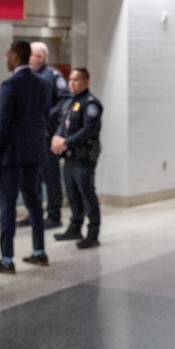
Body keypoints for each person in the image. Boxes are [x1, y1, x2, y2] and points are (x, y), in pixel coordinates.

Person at [0, 40, 53, 273]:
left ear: (16, 56)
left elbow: (1, 124)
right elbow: (44, 116)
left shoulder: (10, 85)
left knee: (8, 205)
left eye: (8, 54)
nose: (6, 58)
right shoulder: (42, 84)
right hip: (35, 152)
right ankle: (39, 251)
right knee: (33, 202)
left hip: (11, 156)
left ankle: (6, 258)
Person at [52, 68, 103, 249]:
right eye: (70, 79)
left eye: (76, 80)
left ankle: (93, 232)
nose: (72, 83)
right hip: (70, 157)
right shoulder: (68, 103)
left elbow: (87, 130)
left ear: (86, 81)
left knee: (86, 193)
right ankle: (75, 227)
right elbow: (62, 125)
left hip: (84, 157)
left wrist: (66, 141)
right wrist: (57, 138)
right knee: (72, 194)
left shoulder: (91, 104)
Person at [23, 40, 72, 229]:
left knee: (50, 176)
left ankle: (54, 215)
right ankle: (33, 212)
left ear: (40, 57)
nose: (27, 60)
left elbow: (65, 100)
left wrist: (47, 115)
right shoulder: (28, 76)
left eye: (31, 56)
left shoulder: (52, 76)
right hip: (31, 135)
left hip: (46, 134)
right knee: (32, 177)